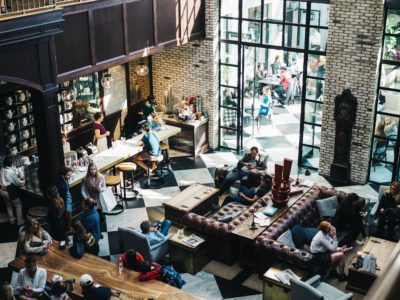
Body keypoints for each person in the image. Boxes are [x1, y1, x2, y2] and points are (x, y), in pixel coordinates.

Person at [0, 156, 24, 225]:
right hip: (8, 191)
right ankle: (20, 221)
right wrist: (24, 180)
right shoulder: (10, 172)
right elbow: (18, 183)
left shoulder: (2, 169)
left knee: (8, 204)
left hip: (1, 190)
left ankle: (12, 220)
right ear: (11, 163)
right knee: (18, 205)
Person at [57, 167, 73, 241]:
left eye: (70, 175)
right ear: (62, 176)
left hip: (68, 203)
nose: (69, 177)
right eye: (68, 175)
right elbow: (62, 198)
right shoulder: (62, 185)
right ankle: (66, 237)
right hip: (66, 206)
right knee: (67, 221)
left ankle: (69, 230)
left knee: (69, 219)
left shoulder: (65, 181)